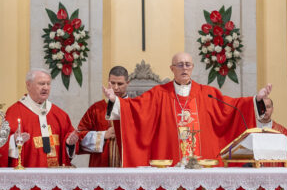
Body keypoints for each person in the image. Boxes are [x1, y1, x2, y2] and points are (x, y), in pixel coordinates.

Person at [104, 52, 271, 167]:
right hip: (170, 161)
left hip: (202, 163)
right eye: (180, 65)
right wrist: (114, 101)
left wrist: (256, 100)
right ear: (172, 68)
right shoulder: (159, 94)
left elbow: (232, 108)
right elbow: (135, 109)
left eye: (187, 65)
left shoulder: (207, 94)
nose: (184, 68)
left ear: (192, 67)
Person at [2, 69, 77, 168]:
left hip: (56, 174)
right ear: (28, 85)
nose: (45, 87)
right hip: (28, 173)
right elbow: (2, 144)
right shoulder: (15, 112)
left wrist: (70, 144)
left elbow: (69, 140)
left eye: (48, 84)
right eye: (41, 84)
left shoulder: (60, 114)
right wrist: (13, 141)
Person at [75, 66, 128, 167]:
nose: (116, 87)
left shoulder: (134, 107)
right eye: (112, 83)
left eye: (120, 84)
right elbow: (79, 137)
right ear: (108, 81)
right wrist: (103, 135)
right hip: (100, 166)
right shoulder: (96, 109)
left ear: (127, 83)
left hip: (128, 167)